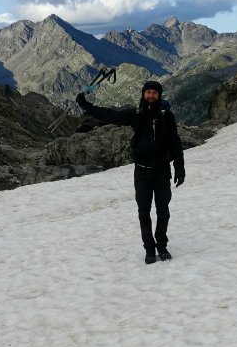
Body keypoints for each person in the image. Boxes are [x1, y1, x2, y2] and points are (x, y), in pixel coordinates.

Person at [76, 80, 186, 264]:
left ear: (159, 95)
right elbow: (109, 115)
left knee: (163, 211)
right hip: (142, 172)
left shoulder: (167, 116)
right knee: (144, 212)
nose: (151, 95)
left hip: (161, 171)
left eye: (154, 93)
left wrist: (179, 168)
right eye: (148, 92)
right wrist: (86, 105)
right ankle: (149, 249)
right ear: (143, 94)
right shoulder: (136, 114)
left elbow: (175, 142)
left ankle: (162, 246)